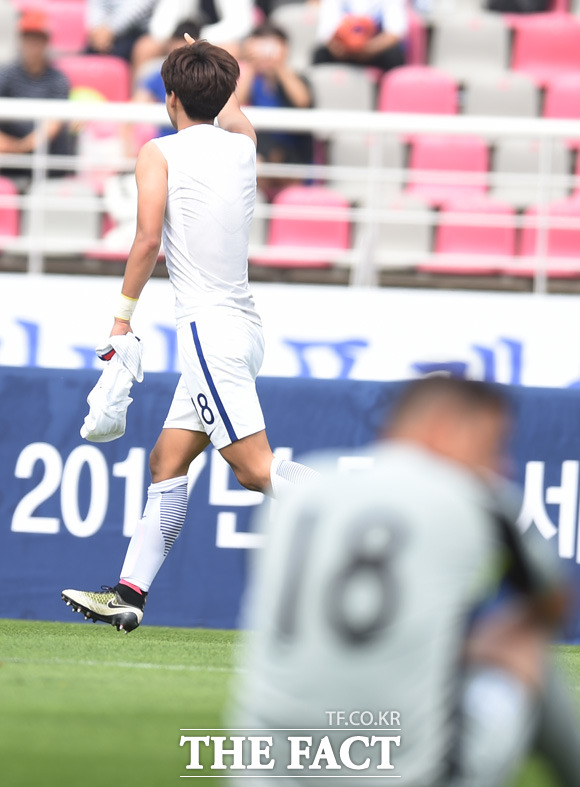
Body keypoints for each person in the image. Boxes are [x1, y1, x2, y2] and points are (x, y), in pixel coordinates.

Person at [61, 37, 319, 633]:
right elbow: (230, 110)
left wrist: (122, 318)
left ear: (169, 97)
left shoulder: (160, 152)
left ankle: (363, 518)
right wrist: (208, 57)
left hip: (208, 334)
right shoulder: (245, 148)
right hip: (244, 332)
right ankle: (128, 593)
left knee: (254, 471)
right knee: (166, 460)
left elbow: (147, 240)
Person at [232, 377, 580, 785]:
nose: (501, 464)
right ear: (445, 427)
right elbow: (553, 604)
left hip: (264, 772)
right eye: (493, 444)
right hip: (405, 774)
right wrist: (483, 643)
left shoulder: (305, 493)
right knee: (523, 649)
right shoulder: (479, 499)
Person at [237, 24, 313, 197]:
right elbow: (236, 103)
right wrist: (251, 65)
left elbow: (302, 101)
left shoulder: (297, 77)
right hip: (263, 151)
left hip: (294, 152)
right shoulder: (253, 81)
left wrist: (278, 65)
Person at [0, 9, 72, 183]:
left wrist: (22, 146)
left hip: (48, 159)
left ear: (46, 41)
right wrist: (8, 145)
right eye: (28, 37)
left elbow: (54, 124)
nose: (32, 44)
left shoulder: (58, 79)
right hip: (8, 158)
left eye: (37, 38)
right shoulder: (6, 75)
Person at [314, 0, 407, 72]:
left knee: (394, 55)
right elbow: (326, 31)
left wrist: (366, 49)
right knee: (320, 54)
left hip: (374, 49)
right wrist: (340, 48)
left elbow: (394, 32)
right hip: (343, 50)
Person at [86, 0, 157, 64]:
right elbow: (96, 5)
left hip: (137, 34)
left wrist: (110, 30)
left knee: (145, 48)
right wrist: (97, 27)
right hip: (102, 34)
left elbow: (138, 8)